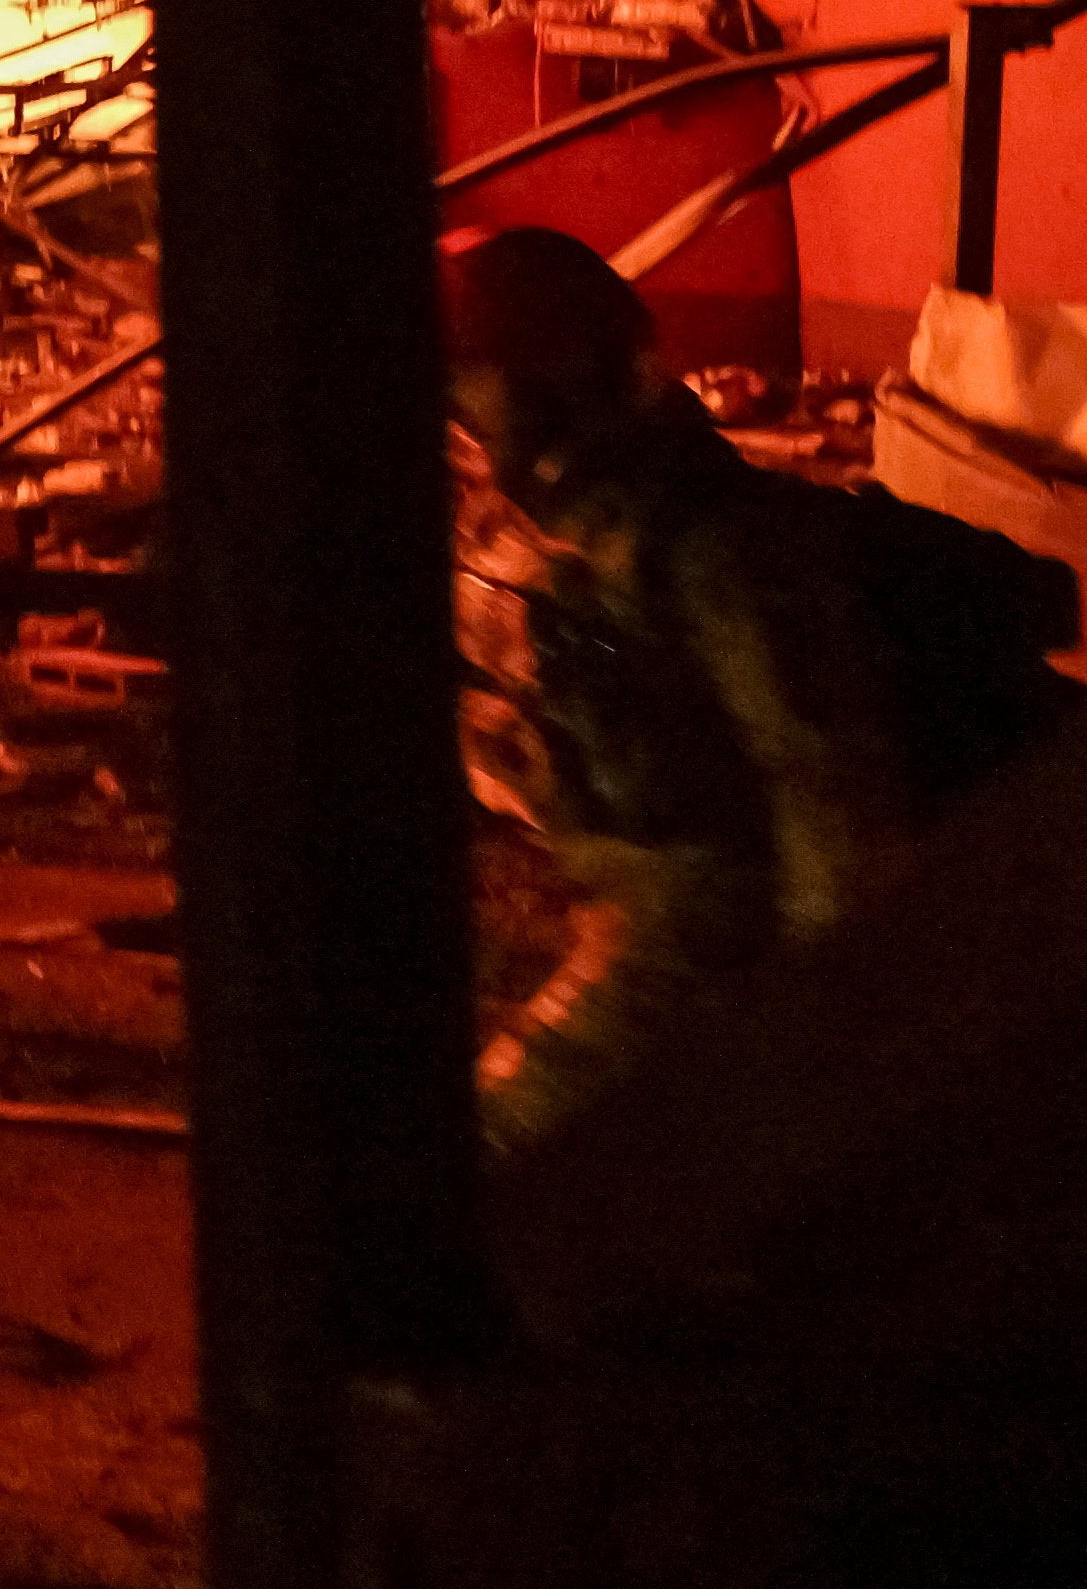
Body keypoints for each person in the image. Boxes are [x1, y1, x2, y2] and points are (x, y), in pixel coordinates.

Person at [446, 219, 1080, 1148]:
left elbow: (835, 824)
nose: (465, 438)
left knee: (505, 1151)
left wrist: (829, 1070)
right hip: (700, 911)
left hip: (790, 920)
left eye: (475, 400)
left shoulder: (716, 556)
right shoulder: (580, 545)